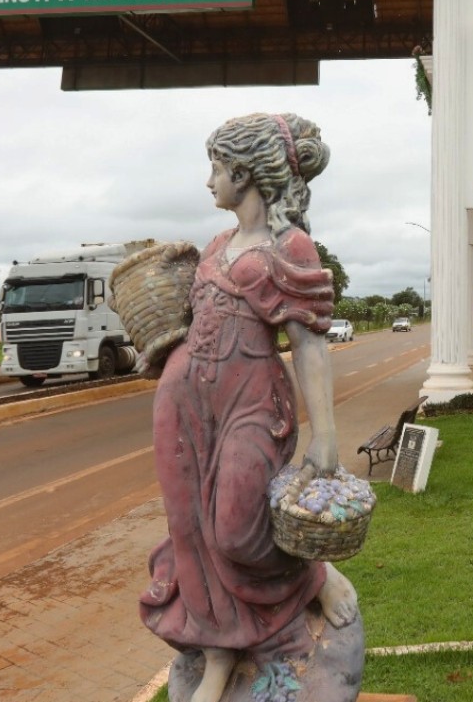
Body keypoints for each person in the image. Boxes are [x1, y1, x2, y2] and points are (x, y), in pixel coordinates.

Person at [141, 112, 359, 702]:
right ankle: (218, 652)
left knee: (237, 529)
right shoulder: (216, 245)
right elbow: (195, 323)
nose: (208, 180)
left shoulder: (291, 245)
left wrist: (325, 435)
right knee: (191, 530)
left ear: (244, 172)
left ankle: (316, 576)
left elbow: (309, 344)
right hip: (185, 403)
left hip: (252, 401)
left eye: (215, 167)